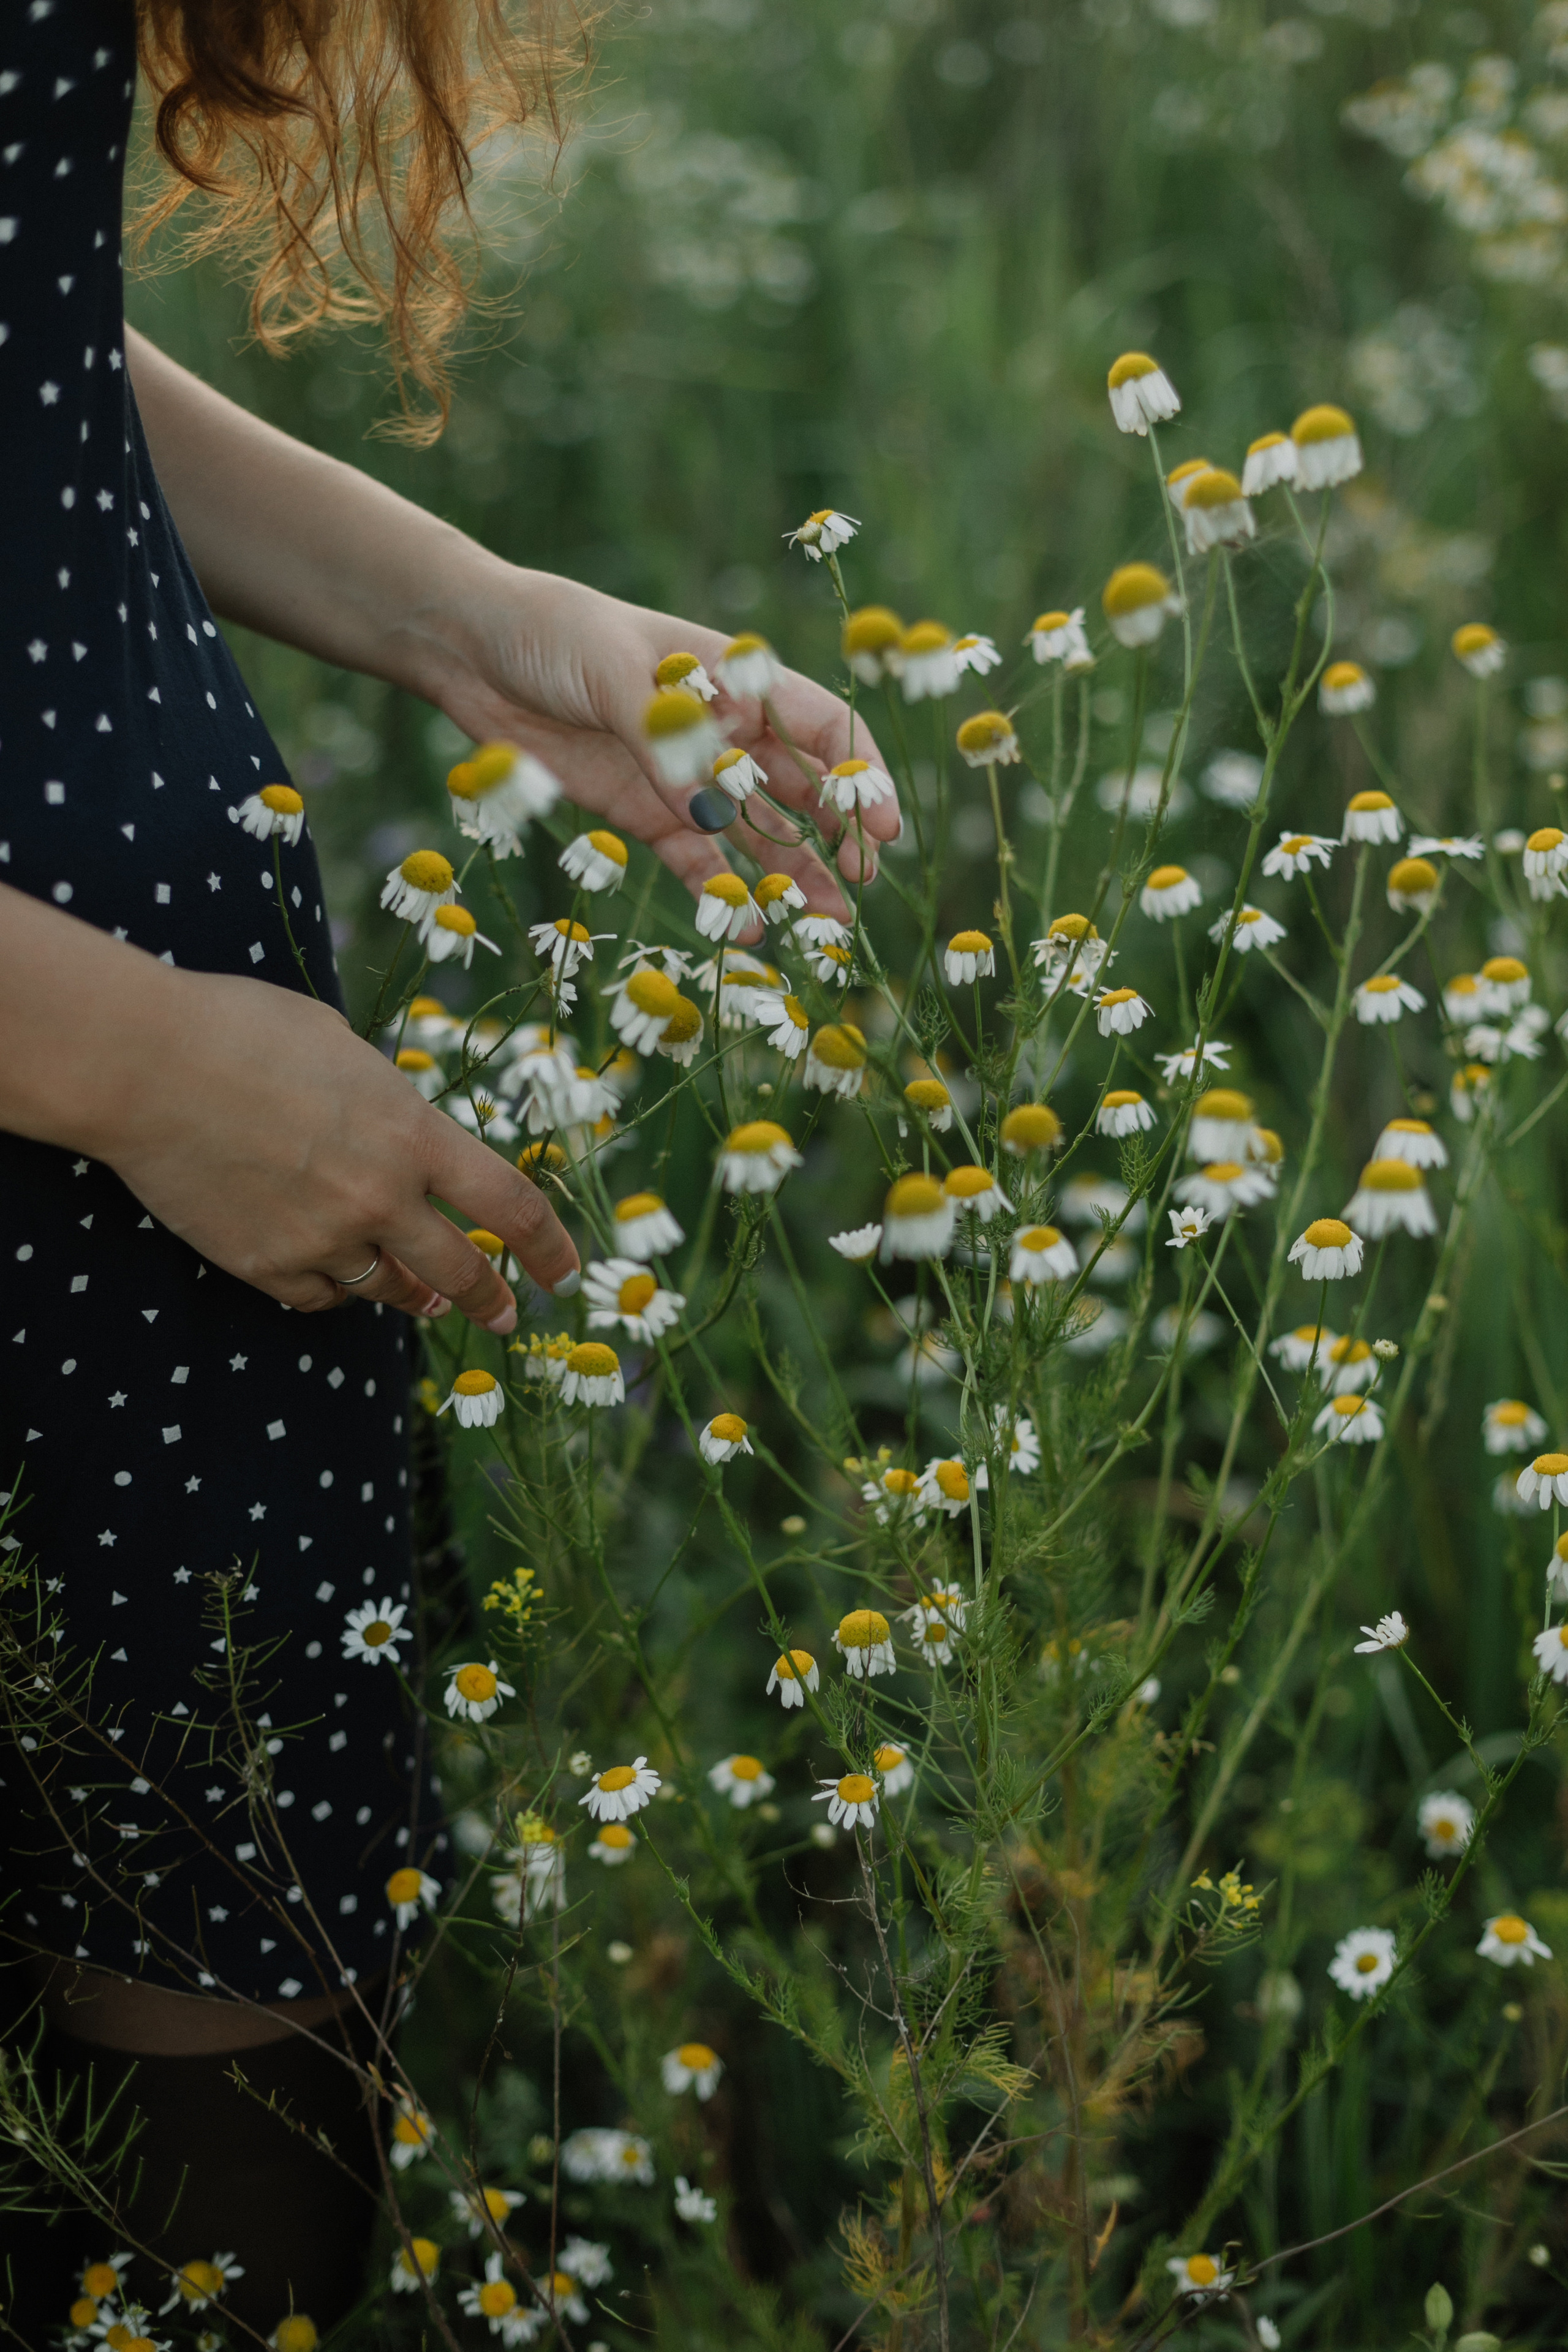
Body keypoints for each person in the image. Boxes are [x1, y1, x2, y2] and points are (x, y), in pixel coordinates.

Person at [0, 0, 897, 2332]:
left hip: (188, 1198)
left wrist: (483, 625)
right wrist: (136, 1067)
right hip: (149, 1113)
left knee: (226, 2011)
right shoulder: (164, 1089)